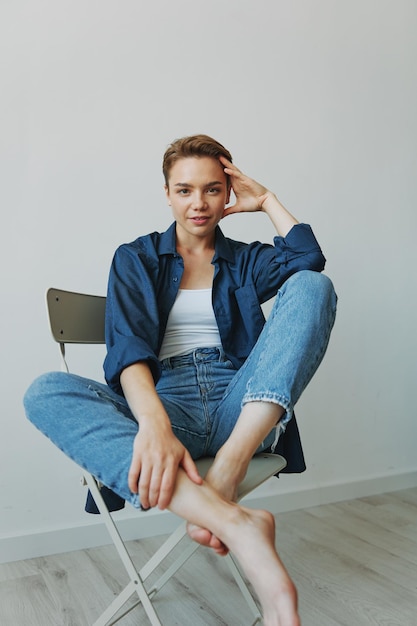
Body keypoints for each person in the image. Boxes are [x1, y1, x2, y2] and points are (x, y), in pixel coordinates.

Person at [24, 134, 337, 626]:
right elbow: (126, 350)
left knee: (314, 286)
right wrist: (153, 426)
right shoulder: (137, 257)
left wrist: (268, 200)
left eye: (213, 189)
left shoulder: (246, 260)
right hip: (168, 406)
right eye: (185, 190)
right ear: (167, 193)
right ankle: (233, 520)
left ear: (227, 194)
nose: (199, 203)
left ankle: (226, 471)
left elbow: (308, 260)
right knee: (45, 391)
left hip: (244, 405)